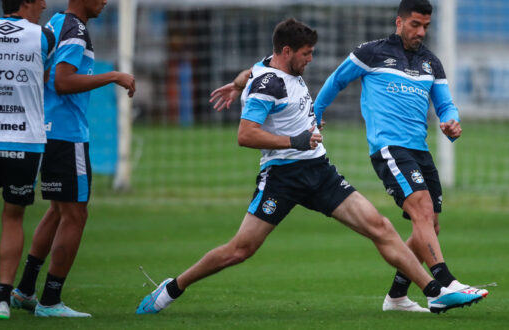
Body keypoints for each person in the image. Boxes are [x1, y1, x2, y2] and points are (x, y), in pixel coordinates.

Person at [136, 18, 483, 316]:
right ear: (287, 51)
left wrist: (237, 83)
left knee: (379, 226)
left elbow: (253, 70)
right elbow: (246, 134)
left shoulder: (269, 68)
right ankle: (174, 287)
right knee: (241, 249)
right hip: (282, 177)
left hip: (319, 171)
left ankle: (434, 291)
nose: (310, 59)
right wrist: (295, 140)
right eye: (306, 54)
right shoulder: (267, 84)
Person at [313, 0, 488, 312]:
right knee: (421, 209)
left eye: (426, 27)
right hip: (389, 147)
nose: (421, 32)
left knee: (429, 226)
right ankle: (445, 282)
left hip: (419, 150)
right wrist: (315, 113)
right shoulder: (372, 53)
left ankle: (396, 297)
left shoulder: (431, 63)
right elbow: (336, 80)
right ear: (399, 22)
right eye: (415, 25)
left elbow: (445, 104)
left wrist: (451, 121)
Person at [9, 0, 135, 318]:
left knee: (57, 210)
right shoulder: (75, 30)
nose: (105, 1)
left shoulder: (54, 24)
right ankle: (50, 301)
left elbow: (47, 74)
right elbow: (62, 81)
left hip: (46, 130)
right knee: (76, 215)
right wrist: (112, 76)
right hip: (66, 134)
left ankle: (24, 290)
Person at [0, 0, 52, 320]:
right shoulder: (44, 36)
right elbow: (42, 80)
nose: (44, 4)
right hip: (24, 141)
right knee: (12, 218)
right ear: (27, 2)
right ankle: (2, 298)